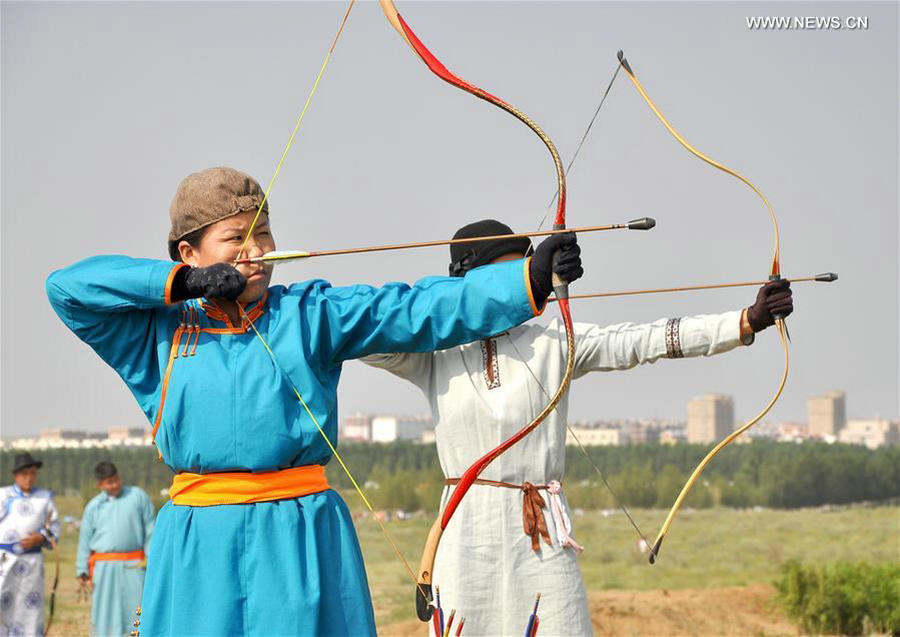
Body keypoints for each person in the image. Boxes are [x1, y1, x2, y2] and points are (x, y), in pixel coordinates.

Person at [45, 167, 584, 636]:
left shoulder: (310, 313)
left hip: (298, 534)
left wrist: (526, 281)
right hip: (196, 540)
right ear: (189, 251)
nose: (256, 253)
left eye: (264, 236)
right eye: (236, 239)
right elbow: (67, 288)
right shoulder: (155, 336)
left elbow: (412, 308)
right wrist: (183, 283)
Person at [362, 219, 794, 636]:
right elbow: (367, 334)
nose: (521, 284)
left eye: (527, 269)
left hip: (540, 532)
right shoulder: (433, 353)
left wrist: (746, 320)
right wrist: (454, 305)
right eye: (508, 275)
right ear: (466, 281)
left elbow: (645, 340)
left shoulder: (553, 341)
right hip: (463, 537)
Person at [76, 461, 155, 637]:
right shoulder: (94, 506)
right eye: (109, 482)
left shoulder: (138, 497)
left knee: (136, 609)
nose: (114, 485)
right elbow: (85, 539)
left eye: (116, 479)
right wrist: (82, 570)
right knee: (105, 611)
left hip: (135, 565)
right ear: (100, 484)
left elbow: (150, 529)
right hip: (104, 568)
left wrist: (152, 559)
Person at [0, 452, 60, 637]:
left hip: (32, 564)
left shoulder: (45, 498)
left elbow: (55, 527)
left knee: (30, 611)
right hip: (4, 562)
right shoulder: (3, 495)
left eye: (32, 473)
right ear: (15, 475)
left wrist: (41, 538)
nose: (29, 477)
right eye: (24, 474)